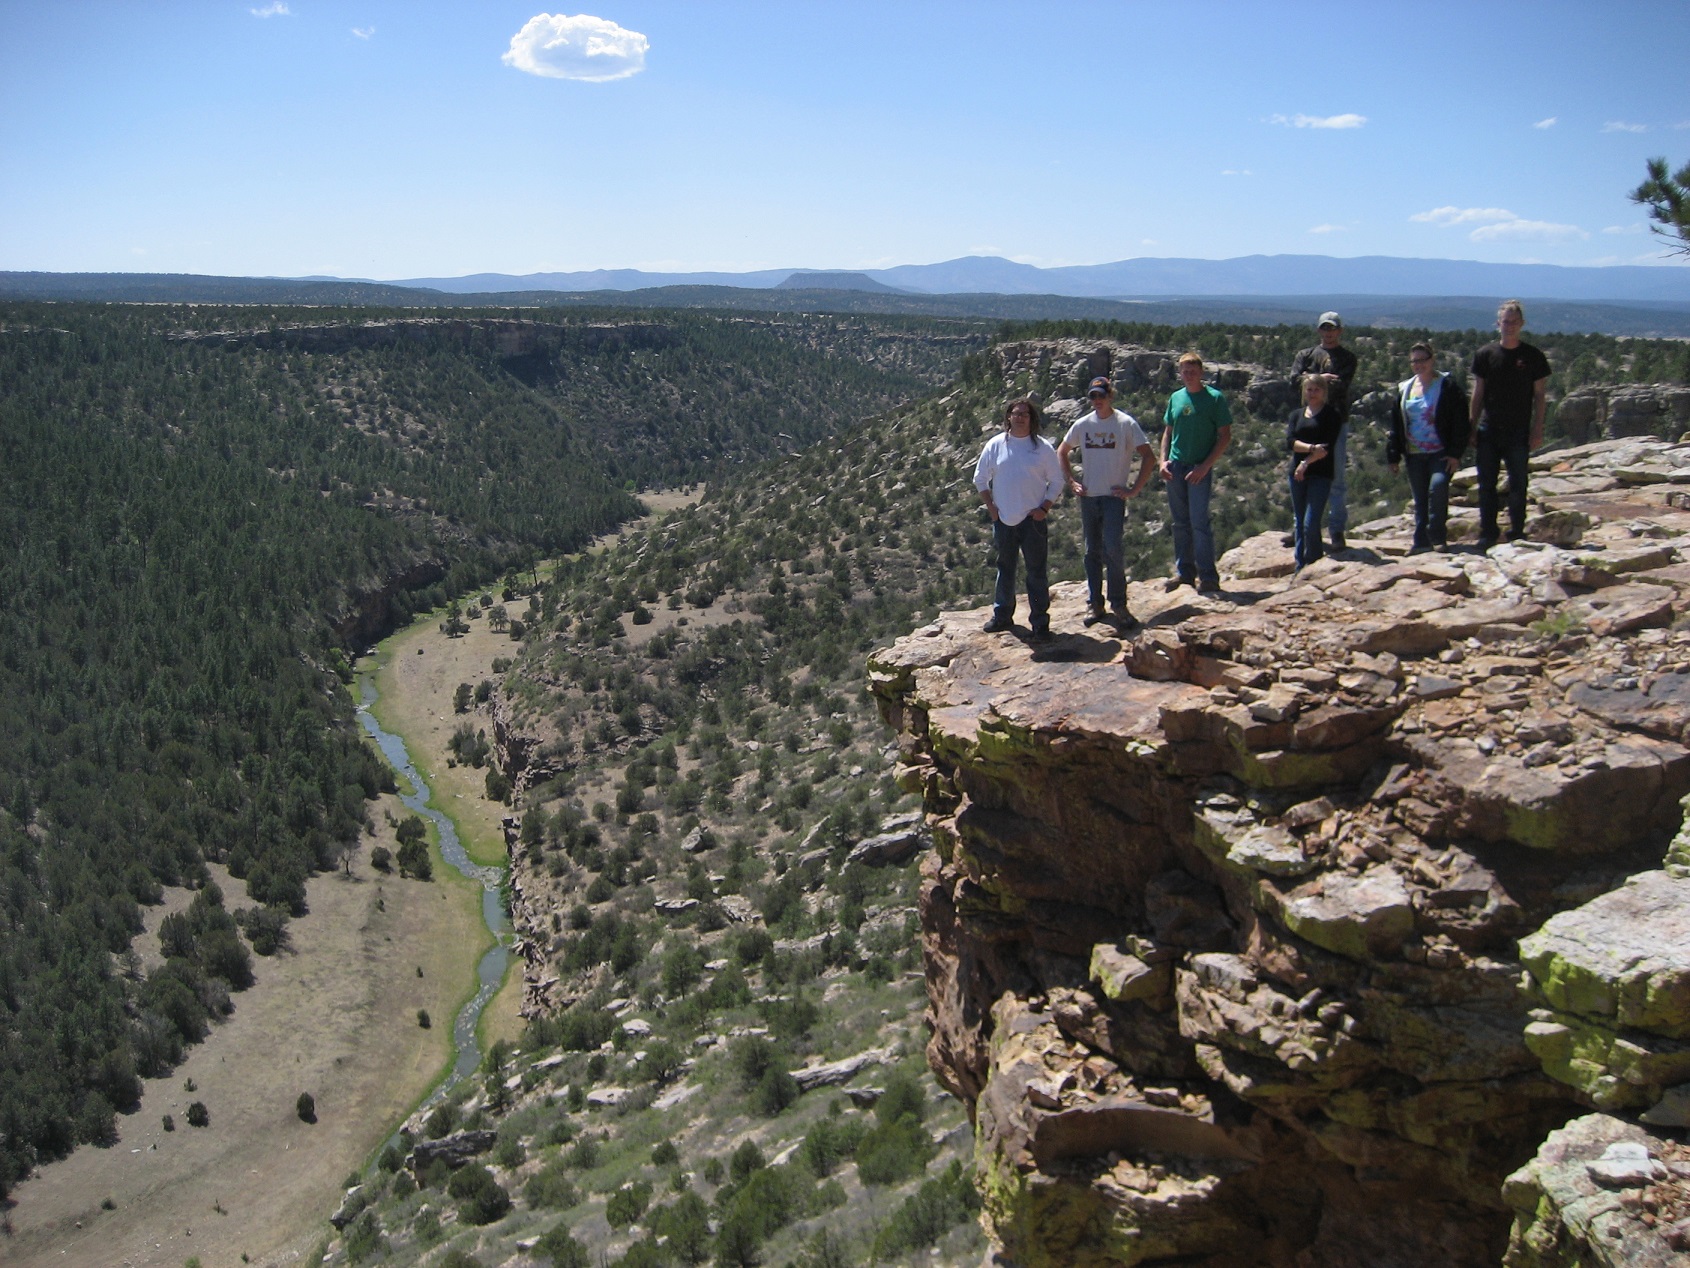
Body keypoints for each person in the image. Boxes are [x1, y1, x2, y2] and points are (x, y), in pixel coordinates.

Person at [1058, 376, 1155, 627]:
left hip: (1113, 497)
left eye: (1101, 395)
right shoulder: (1083, 424)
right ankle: (1095, 603)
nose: (1097, 401)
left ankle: (1118, 603)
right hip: (1089, 497)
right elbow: (1062, 451)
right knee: (1092, 552)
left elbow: (1149, 456)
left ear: (1110, 396)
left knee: (1112, 549)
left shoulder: (1125, 424)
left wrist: (1134, 489)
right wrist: (1071, 481)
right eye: (1093, 396)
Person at [975, 397, 1064, 638]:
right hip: (1004, 518)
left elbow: (1057, 481)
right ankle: (1002, 615)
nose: (1020, 417)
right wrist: (991, 508)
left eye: (1025, 414)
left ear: (1032, 419)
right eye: (1016, 413)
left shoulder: (1042, 448)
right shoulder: (996, 445)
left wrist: (1044, 507)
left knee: (1036, 572)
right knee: (1005, 568)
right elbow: (980, 478)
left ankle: (1040, 623)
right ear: (1008, 417)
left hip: (1032, 520)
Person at [1470, 300, 1550, 548]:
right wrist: (1471, 427)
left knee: (1518, 483)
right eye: (1506, 321)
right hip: (1489, 429)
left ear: (1522, 324)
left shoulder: (1532, 356)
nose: (1510, 326)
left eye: (1514, 321)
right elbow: (1478, 393)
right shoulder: (1486, 355)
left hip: (1518, 430)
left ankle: (1517, 530)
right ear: (1498, 323)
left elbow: (1539, 396)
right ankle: (1488, 532)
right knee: (1486, 485)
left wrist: (1537, 429)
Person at [1387, 342, 1470, 553]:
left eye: (1422, 360)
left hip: (1440, 452)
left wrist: (1455, 453)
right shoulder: (1405, 389)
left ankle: (1437, 537)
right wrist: (1393, 455)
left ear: (1432, 360)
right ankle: (1421, 542)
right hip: (1414, 453)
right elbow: (1397, 424)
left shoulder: (1447, 386)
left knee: (1438, 488)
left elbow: (1461, 421)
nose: (1418, 364)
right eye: (1414, 361)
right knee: (1420, 498)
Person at [1160, 353, 1232, 593]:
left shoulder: (1214, 398)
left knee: (1199, 522)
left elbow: (1225, 436)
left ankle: (1208, 576)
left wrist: (1205, 466)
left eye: (1192, 370)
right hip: (1176, 465)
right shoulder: (1176, 398)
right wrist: (1163, 461)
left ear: (1201, 372)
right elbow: (1168, 432)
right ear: (1179, 373)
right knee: (1180, 523)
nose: (1188, 375)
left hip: (1199, 466)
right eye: (1184, 371)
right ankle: (1185, 573)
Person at [1289, 312, 1359, 551]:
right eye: (1324, 329)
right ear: (1319, 330)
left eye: (1333, 329)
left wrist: (1310, 379)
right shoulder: (1305, 355)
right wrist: (1320, 379)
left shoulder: (1347, 357)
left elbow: (1342, 384)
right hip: (1307, 424)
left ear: (1340, 331)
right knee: (1302, 475)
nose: (1328, 333)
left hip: (1335, 422)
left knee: (1336, 476)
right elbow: (1292, 379)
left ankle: (1336, 530)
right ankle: (1302, 529)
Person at [1286, 376, 1343, 571]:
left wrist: (1305, 462)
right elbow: (1291, 442)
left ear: (1324, 391)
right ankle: (1300, 565)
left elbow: (1326, 448)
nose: (1312, 393)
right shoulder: (1296, 415)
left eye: (1316, 389)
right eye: (1309, 389)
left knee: (1311, 522)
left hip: (1320, 473)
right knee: (1300, 521)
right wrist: (1311, 448)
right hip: (1297, 474)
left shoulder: (1331, 415)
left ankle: (1313, 562)